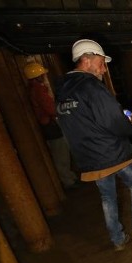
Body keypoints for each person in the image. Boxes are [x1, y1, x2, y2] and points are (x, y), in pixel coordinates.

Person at [55, 39, 132, 251]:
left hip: (89, 158)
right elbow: (113, 120)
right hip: (113, 152)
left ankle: (117, 240)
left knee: (107, 197)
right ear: (86, 60)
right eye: (101, 61)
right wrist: (131, 129)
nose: (104, 68)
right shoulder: (91, 86)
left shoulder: (61, 91)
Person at [23, 61, 78, 189]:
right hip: (51, 125)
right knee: (61, 153)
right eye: (42, 74)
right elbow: (51, 109)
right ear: (38, 76)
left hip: (49, 124)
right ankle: (68, 181)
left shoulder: (35, 89)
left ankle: (69, 177)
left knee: (62, 152)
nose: (44, 76)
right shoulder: (38, 90)